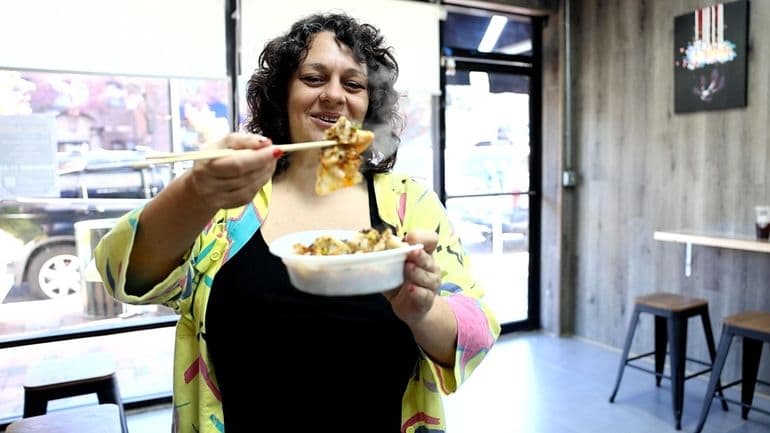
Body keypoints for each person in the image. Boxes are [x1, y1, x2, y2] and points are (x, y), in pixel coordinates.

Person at [94, 12, 499, 433]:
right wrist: (198, 190)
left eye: (353, 84)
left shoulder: (407, 203)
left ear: (368, 105)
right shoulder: (231, 201)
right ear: (282, 93)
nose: (334, 96)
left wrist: (424, 309)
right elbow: (126, 275)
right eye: (313, 78)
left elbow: (476, 331)